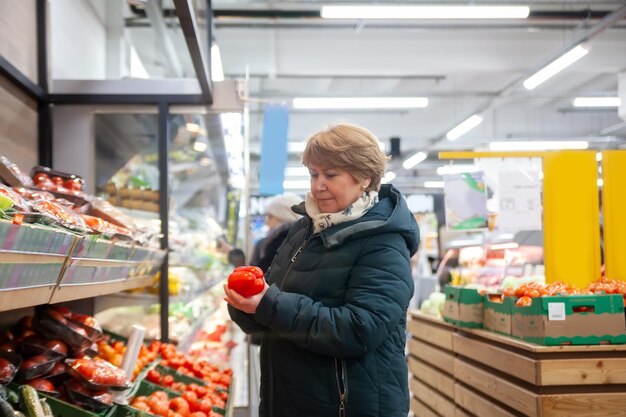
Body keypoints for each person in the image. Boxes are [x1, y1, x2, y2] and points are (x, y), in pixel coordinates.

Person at [224, 123, 420, 417]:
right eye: (314, 174)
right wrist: (247, 305)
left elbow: (359, 328)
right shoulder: (305, 228)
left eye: (330, 174)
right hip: (289, 401)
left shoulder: (384, 242)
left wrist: (270, 304)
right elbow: (275, 311)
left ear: (364, 177)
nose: (318, 185)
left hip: (348, 406)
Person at [250, 193, 302, 272]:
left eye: (270, 217)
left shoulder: (281, 240)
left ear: (284, 216)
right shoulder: (302, 238)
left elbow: (261, 272)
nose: (266, 221)